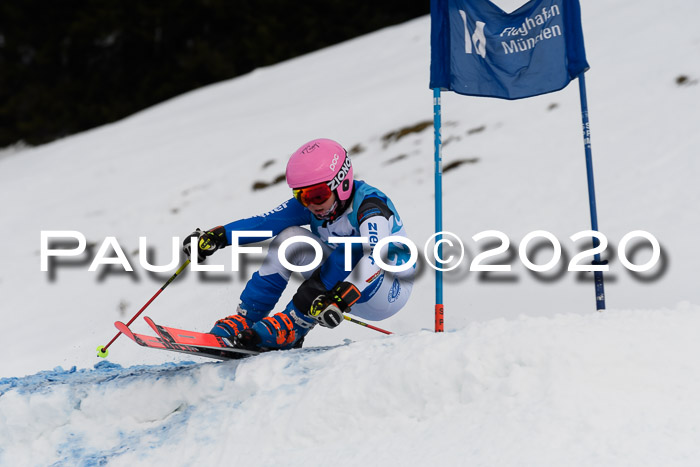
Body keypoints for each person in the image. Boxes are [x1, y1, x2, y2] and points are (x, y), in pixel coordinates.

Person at [182, 138, 414, 352]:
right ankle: (248, 318)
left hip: (386, 291)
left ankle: (295, 324)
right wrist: (219, 236)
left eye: (318, 195)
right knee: (290, 237)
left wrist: (342, 298)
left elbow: (376, 256)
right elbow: (266, 222)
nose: (312, 204)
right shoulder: (319, 204)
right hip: (336, 292)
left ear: (341, 183)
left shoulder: (370, 206)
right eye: (302, 196)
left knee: (351, 247)